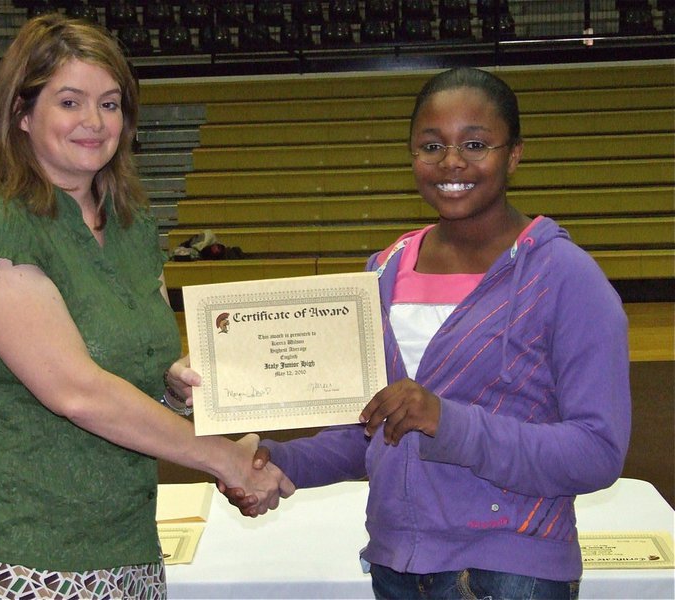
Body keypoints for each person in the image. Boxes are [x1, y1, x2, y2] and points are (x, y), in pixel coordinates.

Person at [219, 67, 631, 599]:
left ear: (514, 155)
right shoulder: (384, 270)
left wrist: (445, 420)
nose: (452, 162)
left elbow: (596, 451)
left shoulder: (566, 278)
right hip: (398, 568)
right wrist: (276, 461)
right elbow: (370, 430)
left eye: (475, 143)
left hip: (512, 573)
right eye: (432, 145)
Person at [0, 14, 292, 599]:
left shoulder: (132, 229)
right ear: (23, 115)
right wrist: (224, 459)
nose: (94, 122)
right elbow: (77, 391)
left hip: (126, 541)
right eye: (69, 101)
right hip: (21, 551)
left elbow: (131, 367)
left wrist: (171, 381)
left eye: (109, 103)